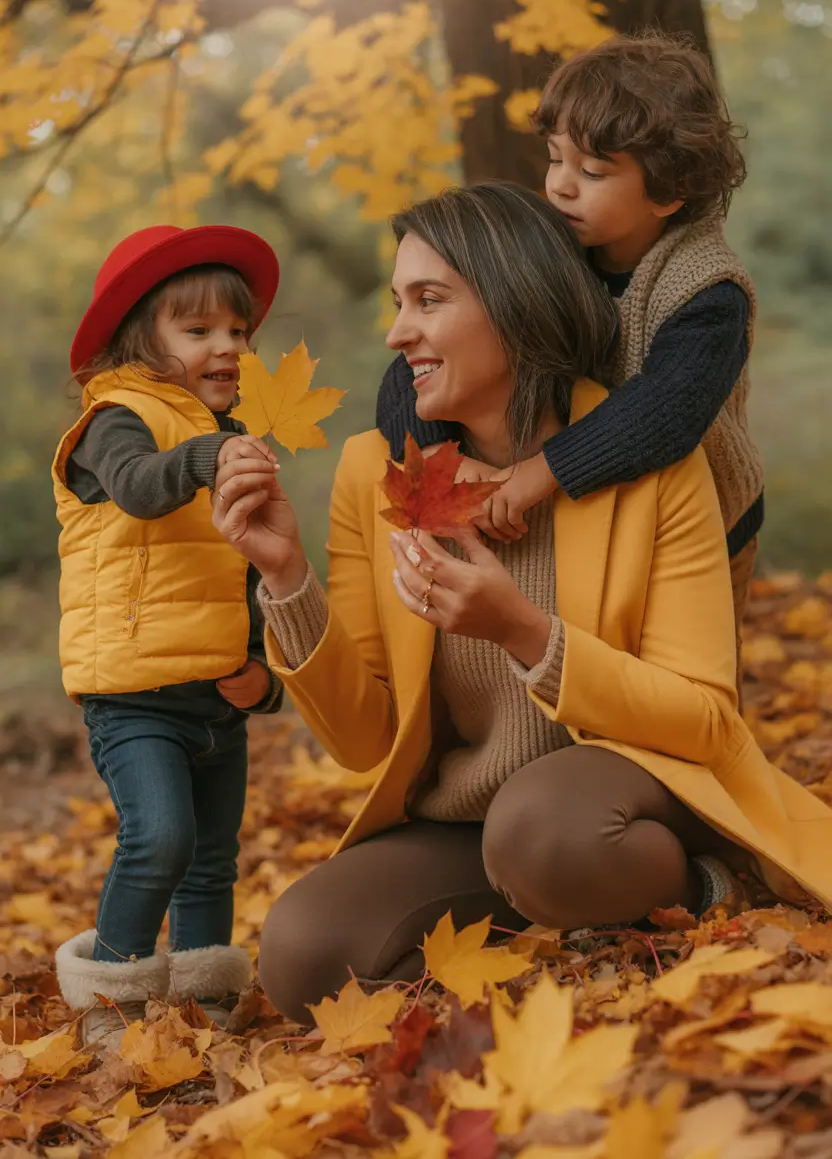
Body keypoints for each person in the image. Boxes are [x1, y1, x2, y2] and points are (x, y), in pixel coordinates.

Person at [211, 184, 832, 1026]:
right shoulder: (375, 475)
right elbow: (365, 740)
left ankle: (704, 886)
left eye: (429, 300)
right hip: (470, 824)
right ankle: (541, 930)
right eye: (398, 304)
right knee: (303, 951)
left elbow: (706, 719)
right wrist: (285, 577)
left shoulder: (650, 465)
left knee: (543, 829)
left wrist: (525, 632)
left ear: (517, 299)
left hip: (620, 801)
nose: (399, 333)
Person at [376, 32, 763, 650]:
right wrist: (447, 463)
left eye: (592, 171)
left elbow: (666, 413)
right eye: (556, 158)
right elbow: (412, 369)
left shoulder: (708, 292)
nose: (560, 186)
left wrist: (537, 474)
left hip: (706, 519)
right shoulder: (555, 251)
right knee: (581, 653)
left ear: (669, 189)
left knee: (683, 674)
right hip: (591, 513)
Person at [52, 225, 283, 1044]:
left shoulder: (228, 433)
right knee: (161, 837)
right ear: (142, 339)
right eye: (198, 331)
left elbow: (247, 570)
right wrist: (206, 456)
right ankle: (111, 1002)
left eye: (238, 331)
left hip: (214, 686)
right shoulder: (114, 419)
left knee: (213, 855)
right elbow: (141, 491)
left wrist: (264, 669)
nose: (225, 346)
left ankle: (206, 996)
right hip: (134, 690)